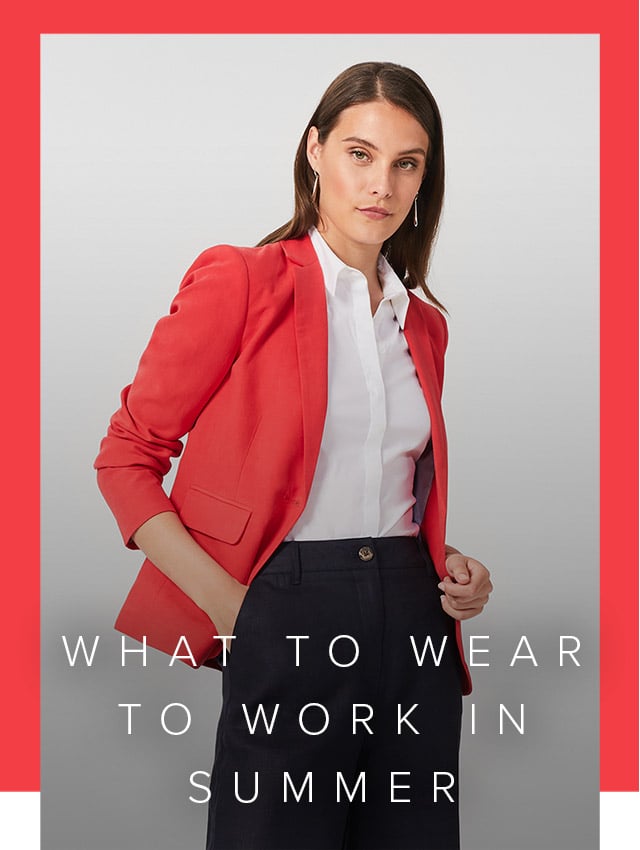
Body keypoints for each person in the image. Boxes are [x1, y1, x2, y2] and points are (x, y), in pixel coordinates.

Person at [94, 61, 493, 850]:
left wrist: (443, 559)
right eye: (359, 153)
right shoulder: (241, 282)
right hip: (284, 609)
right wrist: (236, 611)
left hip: (414, 624)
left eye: (406, 163)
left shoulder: (424, 326)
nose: (382, 183)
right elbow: (125, 458)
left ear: (424, 179)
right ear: (315, 151)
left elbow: (363, 482)